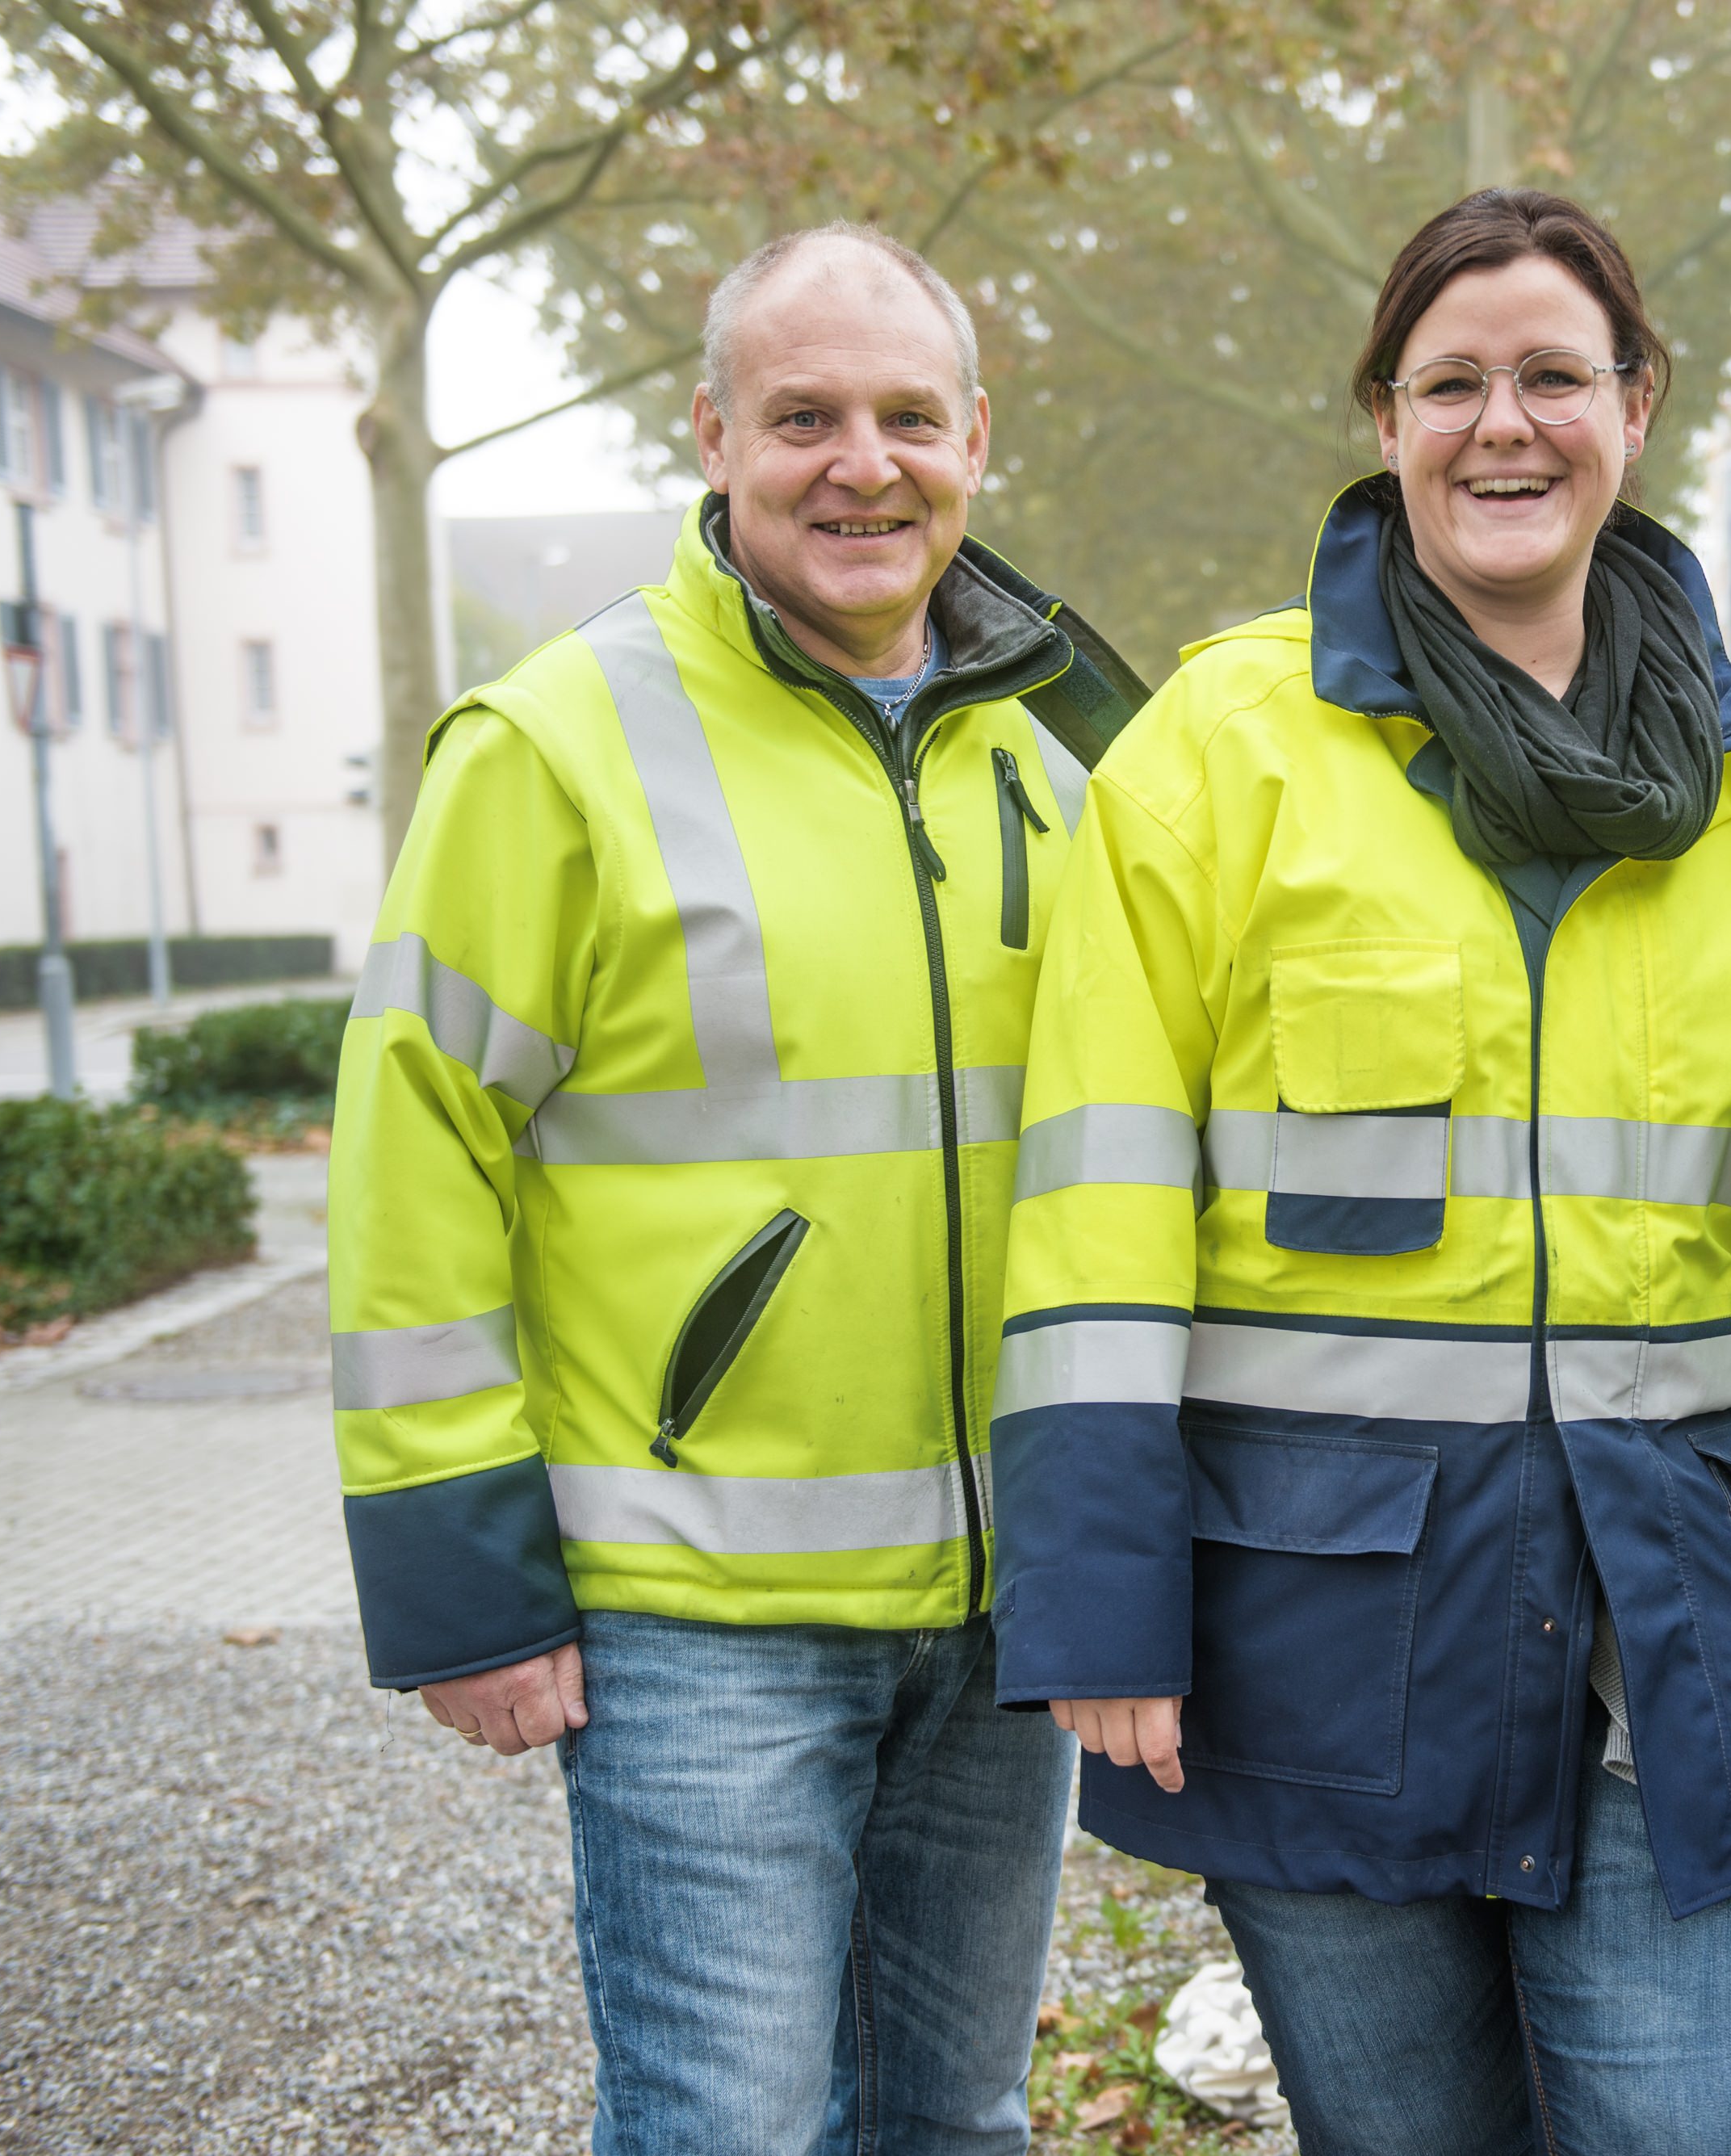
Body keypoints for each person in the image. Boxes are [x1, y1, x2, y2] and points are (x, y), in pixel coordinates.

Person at [988, 188, 1731, 2156]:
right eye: (1448, 381)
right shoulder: (1223, 748)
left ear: (1635, 407)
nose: (1504, 425)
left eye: (1553, 375)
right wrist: (1097, 1599)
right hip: (1323, 1641)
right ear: (1381, 418)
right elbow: (1098, 1196)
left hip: (1689, 1635)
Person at [327, 222, 1145, 2154]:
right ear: (709, 435)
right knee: (730, 2133)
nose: (859, 463)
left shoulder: (1052, 754)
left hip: (1002, 1607)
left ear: (975, 444)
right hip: (698, 1619)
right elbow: (415, 1148)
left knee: (960, 2126)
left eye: (904, 418)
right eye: (801, 417)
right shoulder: (553, 744)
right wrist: (462, 1583)